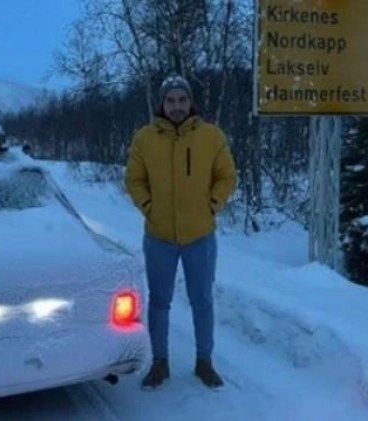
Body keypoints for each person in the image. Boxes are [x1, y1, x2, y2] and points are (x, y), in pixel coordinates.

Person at [125, 73, 237, 390]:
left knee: (202, 301)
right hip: (159, 236)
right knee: (159, 302)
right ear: (162, 103)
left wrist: (211, 204)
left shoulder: (211, 136)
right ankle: (160, 362)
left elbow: (227, 176)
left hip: (200, 235)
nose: (177, 106)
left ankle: (204, 361)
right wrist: (149, 206)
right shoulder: (145, 138)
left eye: (182, 99)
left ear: (191, 102)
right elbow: (134, 179)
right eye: (171, 100)